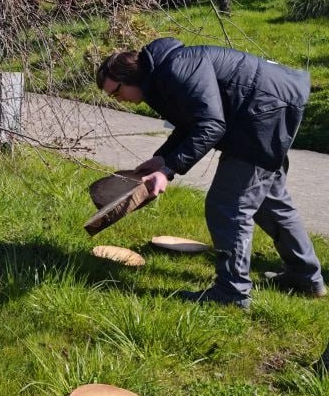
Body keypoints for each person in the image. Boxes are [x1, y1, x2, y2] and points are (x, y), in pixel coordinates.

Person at [97, 37, 325, 308]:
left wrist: (169, 170)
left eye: (116, 92)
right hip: (266, 109)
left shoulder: (175, 70)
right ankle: (305, 277)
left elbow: (210, 125)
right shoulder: (162, 75)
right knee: (270, 201)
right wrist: (161, 158)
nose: (118, 100)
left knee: (228, 205)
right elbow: (190, 121)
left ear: (129, 76)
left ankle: (232, 293)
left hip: (263, 112)